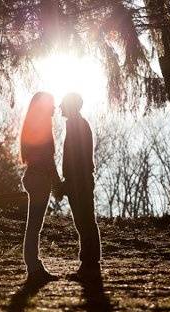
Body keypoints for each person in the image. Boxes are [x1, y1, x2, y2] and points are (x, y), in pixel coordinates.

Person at [20, 92, 62, 282]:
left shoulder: (32, 126)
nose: (54, 108)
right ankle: (34, 268)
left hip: (33, 177)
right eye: (52, 104)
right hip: (39, 179)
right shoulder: (42, 128)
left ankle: (33, 266)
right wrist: (57, 184)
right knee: (34, 226)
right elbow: (47, 160)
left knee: (34, 226)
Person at [60, 92, 102, 276]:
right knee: (84, 220)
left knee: (84, 220)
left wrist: (71, 181)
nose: (60, 107)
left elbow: (76, 157)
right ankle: (89, 262)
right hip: (79, 180)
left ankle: (90, 263)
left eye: (63, 104)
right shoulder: (76, 124)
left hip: (80, 181)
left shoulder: (77, 126)